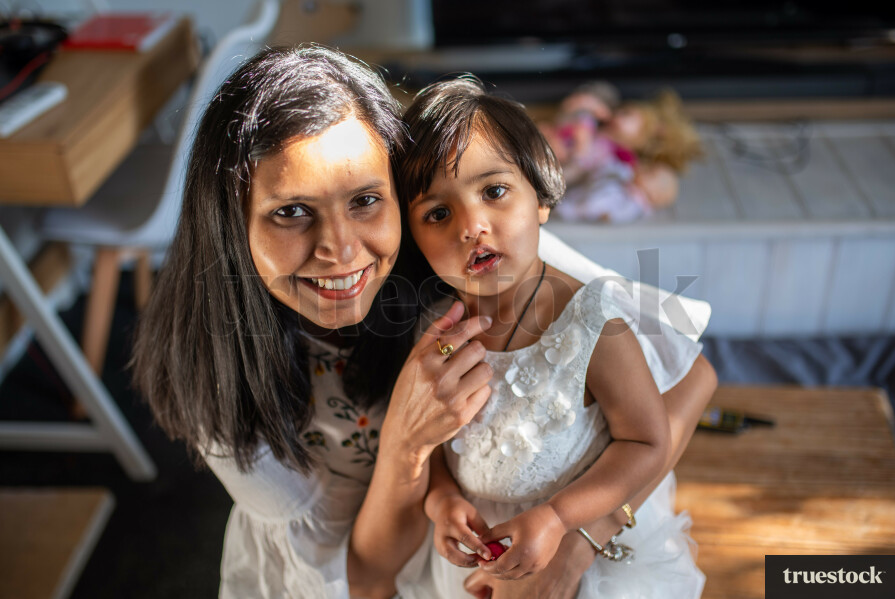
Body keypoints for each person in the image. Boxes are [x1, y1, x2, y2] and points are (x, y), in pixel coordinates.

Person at [130, 45, 716, 599]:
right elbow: (366, 583)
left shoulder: (476, 248)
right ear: (230, 224)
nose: (340, 250)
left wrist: (580, 537)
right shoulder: (213, 373)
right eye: (290, 212)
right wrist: (407, 449)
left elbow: (691, 380)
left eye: (365, 200)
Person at [394, 77, 707, 598]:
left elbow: (648, 441)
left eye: (494, 192)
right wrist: (441, 502)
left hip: (579, 554)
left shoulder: (594, 323)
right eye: (438, 213)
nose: (471, 225)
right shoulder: (437, 331)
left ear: (540, 198)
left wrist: (559, 518)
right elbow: (435, 448)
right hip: (478, 564)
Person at [540, 83, 703, 223]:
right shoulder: (597, 119)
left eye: (626, 115)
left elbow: (598, 180)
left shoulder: (622, 160)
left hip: (567, 164)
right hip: (558, 140)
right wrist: (588, 106)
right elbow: (576, 107)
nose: (617, 117)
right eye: (624, 111)